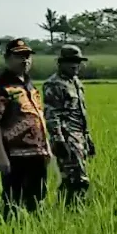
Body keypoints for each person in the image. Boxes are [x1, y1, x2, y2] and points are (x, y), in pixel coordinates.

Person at [0, 38, 51, 216]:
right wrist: (1, 156)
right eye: (19, 56)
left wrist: (47, 147)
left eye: (28, 56)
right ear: (7, 58)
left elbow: (39, 117)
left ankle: (37, 232)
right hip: (14, 154)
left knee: (38, 198)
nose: (25, 60)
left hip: (37, 152)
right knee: (14, 201)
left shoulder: (29, 84)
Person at [43, 44, 95, 205]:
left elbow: (80, 113)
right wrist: (58, 140)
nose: (75, 65)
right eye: (70, 62)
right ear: (61, 63)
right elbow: (52, 114)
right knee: (77, 179)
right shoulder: (54, 84)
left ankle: (67, 211)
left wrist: (88, 137)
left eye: (77, 62)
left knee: (73, 177)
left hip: (79, 136)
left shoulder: (76, 83)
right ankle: (73, 210)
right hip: (66, 137)